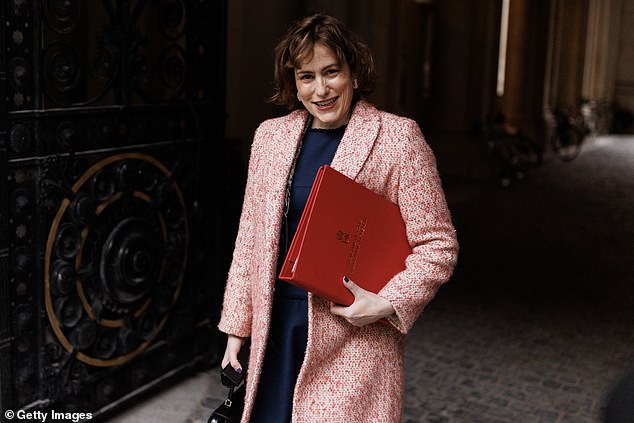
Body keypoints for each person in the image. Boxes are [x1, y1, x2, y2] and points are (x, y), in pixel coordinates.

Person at [218, 13, 458, 423]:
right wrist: (237, 327)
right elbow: (250, 240)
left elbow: (438, 244)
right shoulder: (270, 137)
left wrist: (386, 302)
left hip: (353, 338)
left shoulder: (397, 139)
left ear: (354, 72)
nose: (321, 88)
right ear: (293, 82)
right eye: (306, 76)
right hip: (276, 329)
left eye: (332, 72)